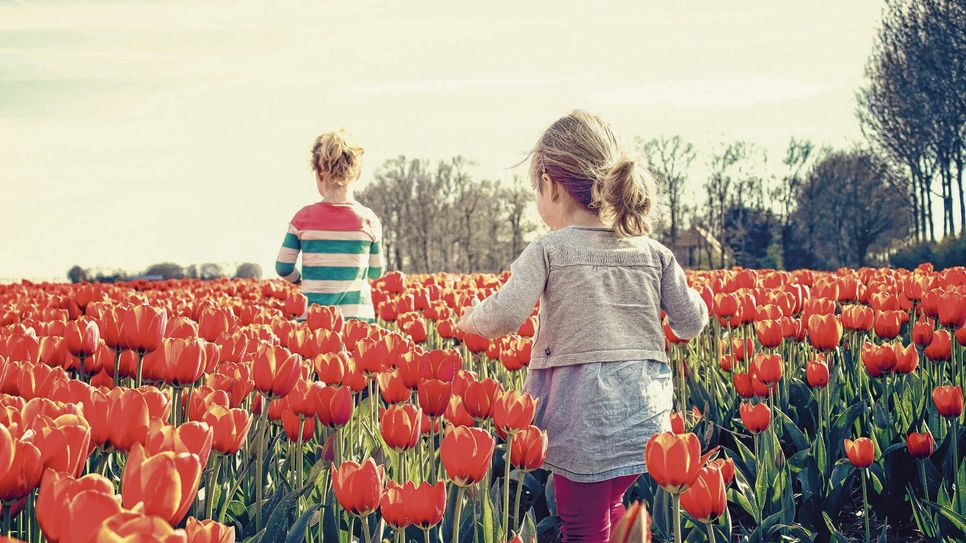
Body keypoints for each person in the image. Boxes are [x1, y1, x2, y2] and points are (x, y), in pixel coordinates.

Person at [457, 111, 708, 542]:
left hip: (583, 416)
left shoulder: (549, 250)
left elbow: (506, 315)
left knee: (580, 522)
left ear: (550, 184)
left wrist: (469, 320)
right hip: (644, 417)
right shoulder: (653, 252)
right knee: (609, 505)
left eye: (536, 189)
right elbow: (691, 321)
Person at [275, 130, 384, 322]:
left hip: (313, 320)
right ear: (357, 173)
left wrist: (301, 280)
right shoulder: (368, 220)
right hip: (357, 320)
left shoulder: (303, 219)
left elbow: (283, 267)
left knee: (317, 352)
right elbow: (377, 271)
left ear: (318, 172)